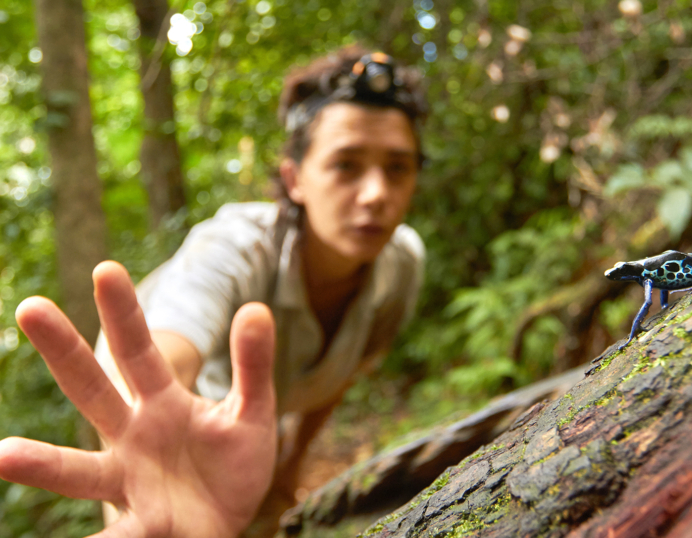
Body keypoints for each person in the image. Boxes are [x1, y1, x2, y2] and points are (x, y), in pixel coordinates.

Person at [0, 45, 428, 538]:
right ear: (295, 179)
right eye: (346, 165)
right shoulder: (234, 248)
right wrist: (149, 416)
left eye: (398, 168)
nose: (376, 193)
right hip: (158, 418)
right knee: (162, 510)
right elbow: (162, 359)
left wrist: (287, 470)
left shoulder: (401, 266)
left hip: (245, 422)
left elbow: (341, 377)